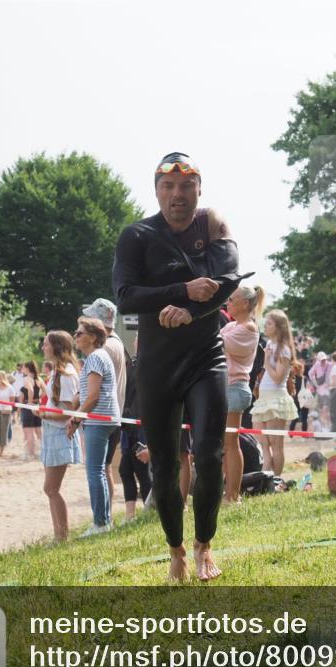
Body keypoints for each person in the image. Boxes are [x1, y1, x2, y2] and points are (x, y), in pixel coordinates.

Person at [113, 151, 245, 582]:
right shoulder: (137, 235)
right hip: (156, 364)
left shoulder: (213, 224)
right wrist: (183, 290)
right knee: (165, 467)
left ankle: (205, 546)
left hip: (206, 356)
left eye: (186, 186)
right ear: (157, 191)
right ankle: (176, 551)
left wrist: (190, 312)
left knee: (208, 456)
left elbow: (228, 283)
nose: (177, 194)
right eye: (168, 187)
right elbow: (126, 295)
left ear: (198, 189)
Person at [68, 317, 120, 536]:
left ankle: (100, 523)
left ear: (93, 337)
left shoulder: (95, 358)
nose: (76, 336)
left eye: (80, 333)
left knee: (94, 472)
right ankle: (104, 521)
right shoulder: (96, 357)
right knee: (98, 470)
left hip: (99, 420)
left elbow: (93, 396)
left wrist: (75, 419)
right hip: (104, 419)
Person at [82, 298, 127, 504]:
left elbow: (94, 390)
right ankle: (106, 516)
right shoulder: (117, 342)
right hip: (113, 413)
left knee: (98, 469)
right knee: (105, 468)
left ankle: (103, 518)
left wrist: (75, 415)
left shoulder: (104, 348)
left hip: (102, 414)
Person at [222, 285, 264, 503]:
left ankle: (233, 495)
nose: (227, 303)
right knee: (225, 444)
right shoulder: (232, 326)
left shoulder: (248, 328)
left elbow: (219, 343)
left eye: (231, 299)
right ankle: (226, 492)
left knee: (231, 442)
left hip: (235, 387)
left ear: (245, 303)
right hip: (225, 387)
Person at [40, 331, 83, 542]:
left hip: (59, 433)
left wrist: (43, 413)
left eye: (46, 344)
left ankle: (62, 537)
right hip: (51, 432)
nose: (42, 347)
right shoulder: (58, 372)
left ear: (56, 347)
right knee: (50, 488)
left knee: (51, 488)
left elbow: (68, 412)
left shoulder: (66, 374)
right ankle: (59, 536)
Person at [250, 310, 299, 476]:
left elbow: (278, 378)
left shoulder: (283, 349)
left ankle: (277, 479)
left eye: (269, 323)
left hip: (277, 399)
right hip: (263, 400)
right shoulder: (269, 346)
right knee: (263, 441)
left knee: (276, 443)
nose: (265, 326)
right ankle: (266, 473)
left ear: (279, 327)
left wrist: (265, 362)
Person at [118, 336, 151, 521]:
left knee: (141, 468)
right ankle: (131, 514)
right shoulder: (134, 362)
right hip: (130, 420)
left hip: (141, 422)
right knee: (125, 468)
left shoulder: (148, 364)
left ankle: (147, 509)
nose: (135, 341)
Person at [19, 361, 45, 459]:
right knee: (38, 431)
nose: (22, 370)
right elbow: (46, 392)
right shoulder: (39, 379)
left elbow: (31, 390)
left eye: (23, 368)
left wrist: (30, 402)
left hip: (29, 407)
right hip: (37, 406)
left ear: (27, 369)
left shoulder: (27, 379)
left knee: (29, 432)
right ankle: (42, 451)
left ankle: (31, 453)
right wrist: (38, 399)